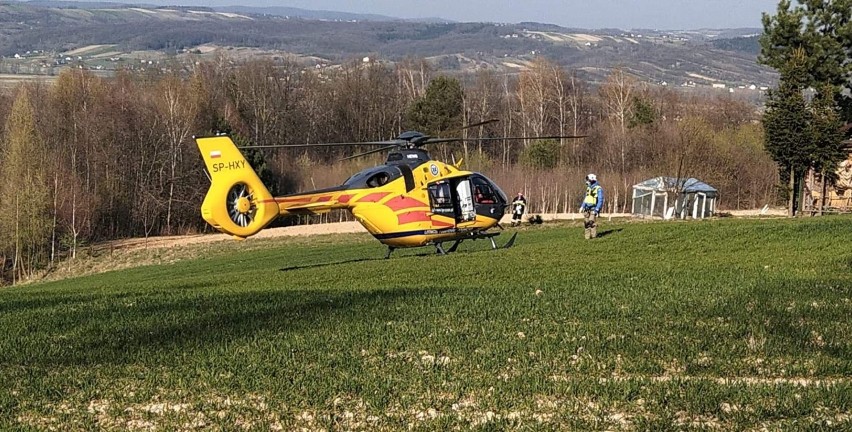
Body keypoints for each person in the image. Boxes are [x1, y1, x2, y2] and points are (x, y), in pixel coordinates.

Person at [579, 173, 604, 239]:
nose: (587, 182)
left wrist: (597, 209)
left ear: (592, 180)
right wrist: (582, 206)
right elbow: (586, 198)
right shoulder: (588, 188)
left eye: (588, 180)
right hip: (586, 209)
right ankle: (587, 238)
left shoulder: (598, 189)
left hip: (594, 208)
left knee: (591, 222)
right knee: (586, 223)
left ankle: (594, 237)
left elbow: (600, 200)